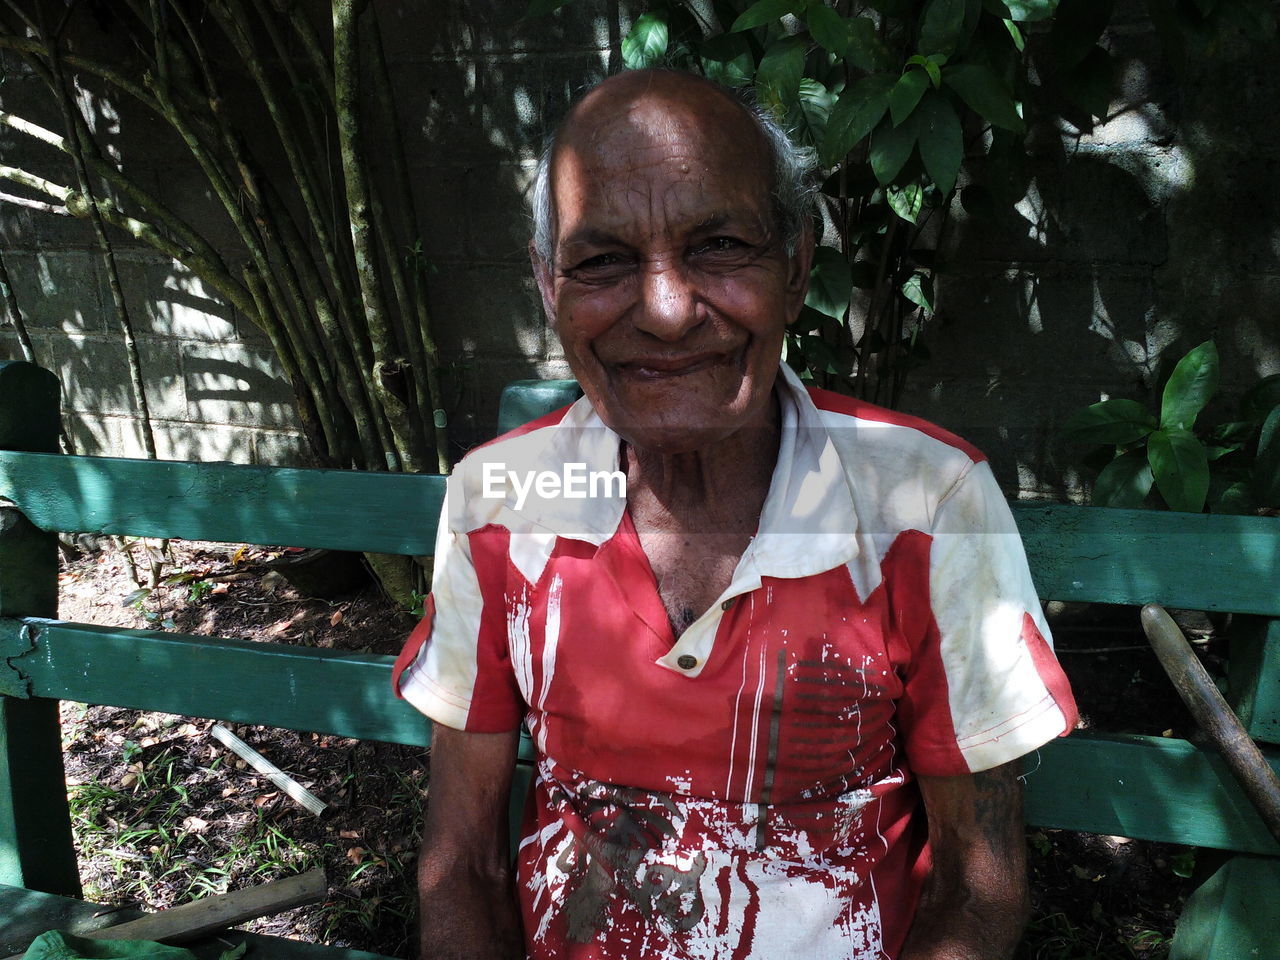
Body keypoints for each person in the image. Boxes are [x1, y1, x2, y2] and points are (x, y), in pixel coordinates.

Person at [392, 68, 1079, 960]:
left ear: (795, 266)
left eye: (718, 245)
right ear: (547, 285)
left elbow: (977, 887)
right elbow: (461, 865)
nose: (669, 312)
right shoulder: (497, 502)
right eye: (601, 261)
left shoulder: (924, 499)